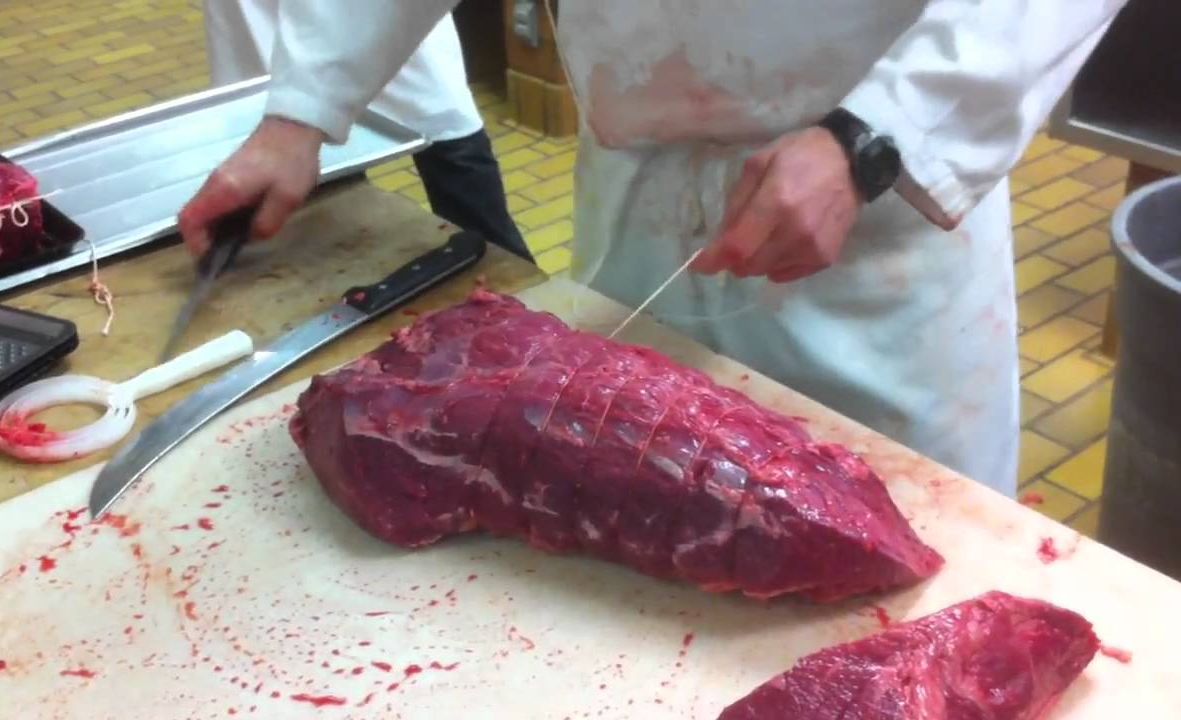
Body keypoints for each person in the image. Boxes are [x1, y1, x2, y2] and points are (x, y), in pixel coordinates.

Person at [180, 1, 1129, 497]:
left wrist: (880, 135)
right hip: (638, 197)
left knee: (891, 571)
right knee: (621, 532)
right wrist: (303, 107)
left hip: (873, 228)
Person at [199, 0, 532, 261]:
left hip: (398, 29)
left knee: (459, 165)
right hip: (270, 50)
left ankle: (525, 309)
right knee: (317, 206)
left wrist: (298, 111)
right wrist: (295, 116)